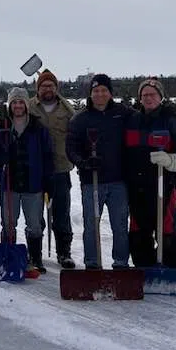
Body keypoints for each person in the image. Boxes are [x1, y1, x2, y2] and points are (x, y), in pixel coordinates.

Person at [124, 78, 176, 268]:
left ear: (160, 97)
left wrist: (173, 160)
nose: (148, 98)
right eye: (144, 95)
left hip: (164, 187)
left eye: (152, 94)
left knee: (167, 229)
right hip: (137, 188)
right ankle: (144, 269)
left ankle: (170, 269)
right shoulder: (132, 121)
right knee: (138, 231)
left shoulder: (172, 122)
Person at [65, 73, 132, 269]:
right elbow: (71, 148)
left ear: (110, 93)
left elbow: (144, 120)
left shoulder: (123, 114)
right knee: (91, 225)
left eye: (104, 90)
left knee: (120, 225)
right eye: (96, 91)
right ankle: (92, 264)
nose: (100, 94)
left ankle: (121, 263)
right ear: (90, 93)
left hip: (118, 181)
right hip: (91, 181)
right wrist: (84, 162)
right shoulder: (80, 119)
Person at [0, 87, 54, 272]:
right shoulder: (2, 127)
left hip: (33, 184)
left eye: (21, 102)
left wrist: (48, 181)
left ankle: (35, 257)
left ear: (26, 104)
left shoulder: (38, 128)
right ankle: (9, 254)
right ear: (10, 105)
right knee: (8, 222)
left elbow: (48, 156)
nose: (17, 106)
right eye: (14, 102)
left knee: (34, 224)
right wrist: (0, 160)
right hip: (9, 184)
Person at [28, 69, 77, 268]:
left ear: (56, 88)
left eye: (51, 85)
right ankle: (35, 254)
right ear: (38, 89)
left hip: (60, 168)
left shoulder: (66, 109)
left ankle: (64, 252)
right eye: (43, 86)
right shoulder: (30, 106)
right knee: (35, 213)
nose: (47, 89)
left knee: (61, 212)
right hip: (35, 169)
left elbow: (77, 134)